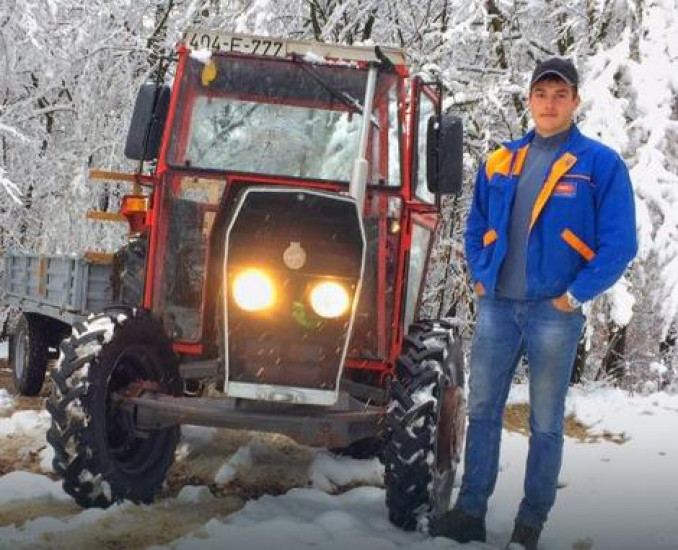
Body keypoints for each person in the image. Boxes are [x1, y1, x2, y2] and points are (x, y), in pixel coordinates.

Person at [431, 58, 637, 549]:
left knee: (545, 421)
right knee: (482, 411)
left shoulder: (598, 164)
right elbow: (475, 223)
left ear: (575, 102)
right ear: (529, 100)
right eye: (541, 94)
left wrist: (576, 295)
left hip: (555, 312)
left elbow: (619, 243)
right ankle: (470, 511)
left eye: (560, 94)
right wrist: (482, 276)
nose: (549, 103)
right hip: (499, 306)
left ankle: (530, 522)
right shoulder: (502, 159)